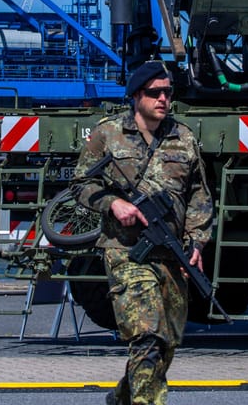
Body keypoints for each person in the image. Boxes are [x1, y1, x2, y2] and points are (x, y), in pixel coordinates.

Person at [73, 61, 213, 405]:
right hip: (126, 250)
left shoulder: (183, 137)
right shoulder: (107, 133)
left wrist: (196, 243)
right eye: (154, 93)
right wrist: (113, 204)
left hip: (173, 252)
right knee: (147, 335)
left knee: (166, 343)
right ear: (136, 96)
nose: (163, 99)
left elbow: (199, 195)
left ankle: (122, 398)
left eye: (167, 92)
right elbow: (81, 184)